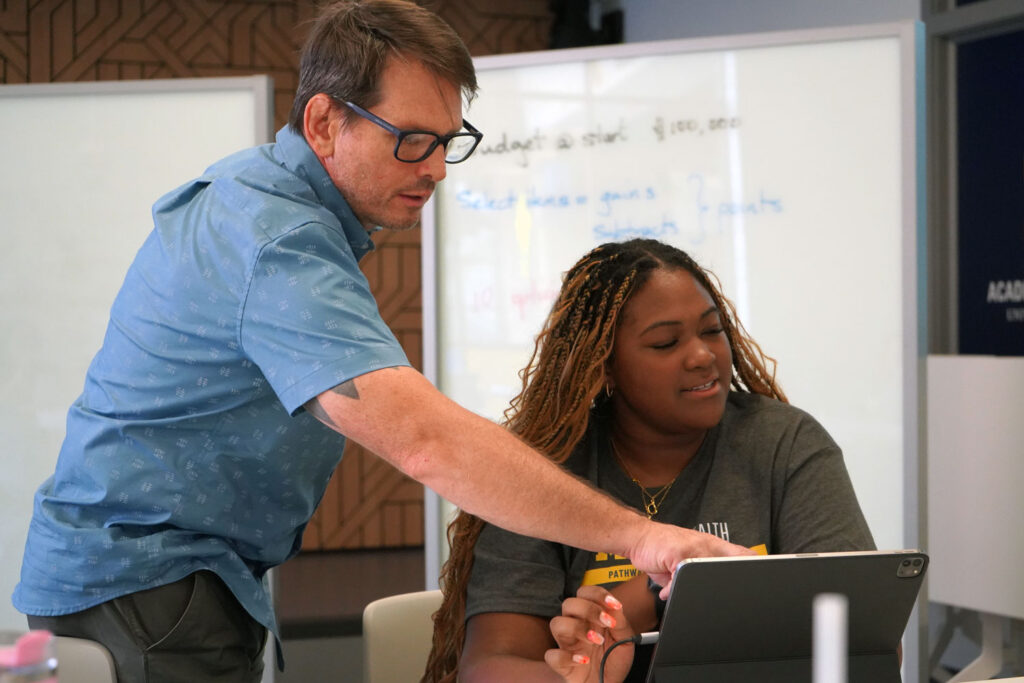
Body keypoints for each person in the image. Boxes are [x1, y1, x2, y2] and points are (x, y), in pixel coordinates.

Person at [11, 4, 750, 682]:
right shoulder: (281, 242)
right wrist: (643, 538)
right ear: (326, 121)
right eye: (412, 141)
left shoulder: (264, 202)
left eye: (448, 142)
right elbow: (423, 439)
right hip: (146, 586)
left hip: (163, 580)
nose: (433, 168)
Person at [425, 238, 876, 683]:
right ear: (603, 368)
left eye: (712, 330)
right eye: (665, 343)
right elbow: (486, 668)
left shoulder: (784, 442)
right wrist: (580, 677)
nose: (703, 356)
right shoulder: (541, 471)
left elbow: (868, 644)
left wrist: (658, 599)